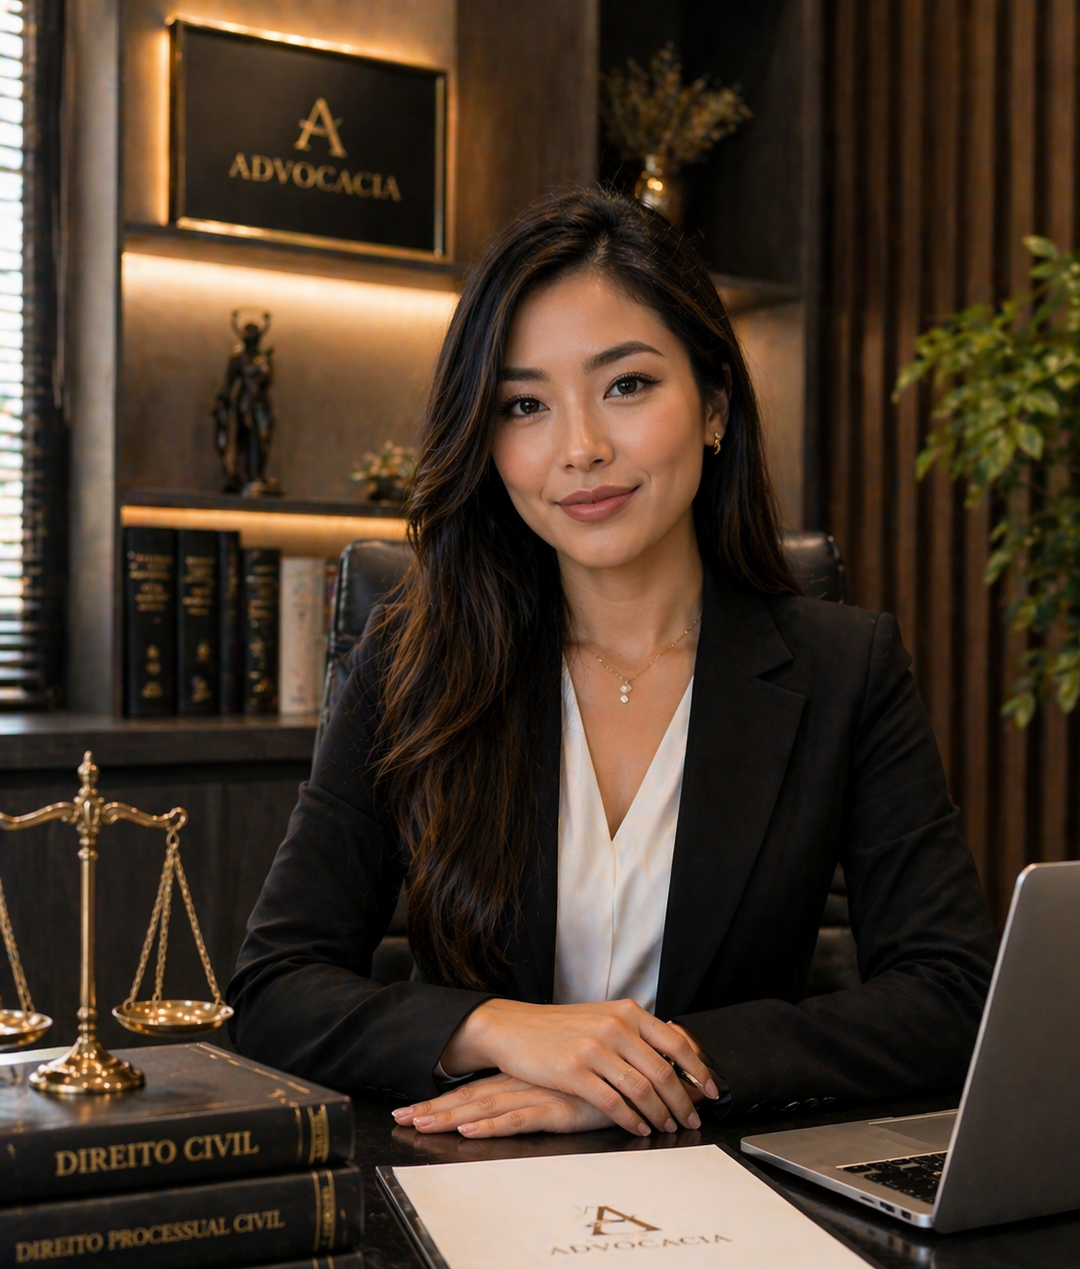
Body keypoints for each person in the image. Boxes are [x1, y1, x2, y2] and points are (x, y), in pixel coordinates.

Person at [228, 189, 996, 1140]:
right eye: (524, 404)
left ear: (714, 405)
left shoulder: (847, 669)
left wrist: (631, 1076)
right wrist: (499, 1031)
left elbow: (950, 997)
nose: (581, 448)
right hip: (471, 1182)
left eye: (626, 385)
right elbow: (272, 990)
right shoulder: (412, 659)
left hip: (731, 1188)